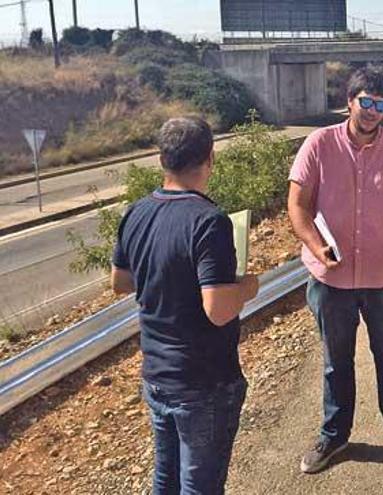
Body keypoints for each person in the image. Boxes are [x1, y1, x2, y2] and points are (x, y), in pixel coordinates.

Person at [287, 67, 383, 474]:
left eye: (381, 104)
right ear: (350, 101)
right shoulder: (318, 144)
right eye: (366, 101)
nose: (372, 111)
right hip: (330, 281)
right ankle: (334, 437)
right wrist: (317, 247)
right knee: (337, 361)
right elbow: (297, 207)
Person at [111, 116, 260, 494]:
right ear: (210, 158)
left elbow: (120, 282)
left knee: (166, 478)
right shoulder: (209, 222)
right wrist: (248, 286)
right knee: (200, 486)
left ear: (162, 160)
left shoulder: (136, 212)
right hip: (201, 380)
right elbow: (218, 309)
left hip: (157, 375)